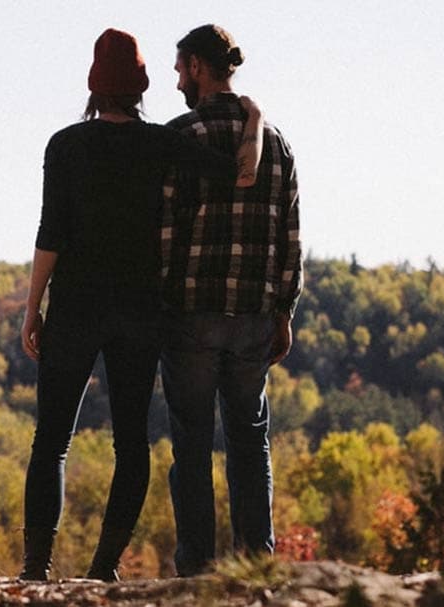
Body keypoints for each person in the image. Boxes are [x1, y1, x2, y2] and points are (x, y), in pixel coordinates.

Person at [18, 28, 263, 582]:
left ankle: (36, 568)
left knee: (51, 441)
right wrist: (254, 115)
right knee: (131, 444)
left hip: (75, 308)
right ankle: (103, 568)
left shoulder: (65, 145)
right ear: (141, 87)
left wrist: (33, 308)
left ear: (93, 85)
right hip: (139, 312)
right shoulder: (160, 142)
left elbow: (51, 233)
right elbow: (240, 172)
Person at [159, 24, 302, 577]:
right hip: (253, 315)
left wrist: (160, 304)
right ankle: (255, 564)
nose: (177, 80)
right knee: (249, 441)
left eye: (180, 69)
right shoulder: (276, 143)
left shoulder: (180, 137)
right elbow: (290, 235)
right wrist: (284, 311)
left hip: (191, 313)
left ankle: (197, 569)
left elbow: (164, 233)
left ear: (197, 66)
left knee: (191, 443)